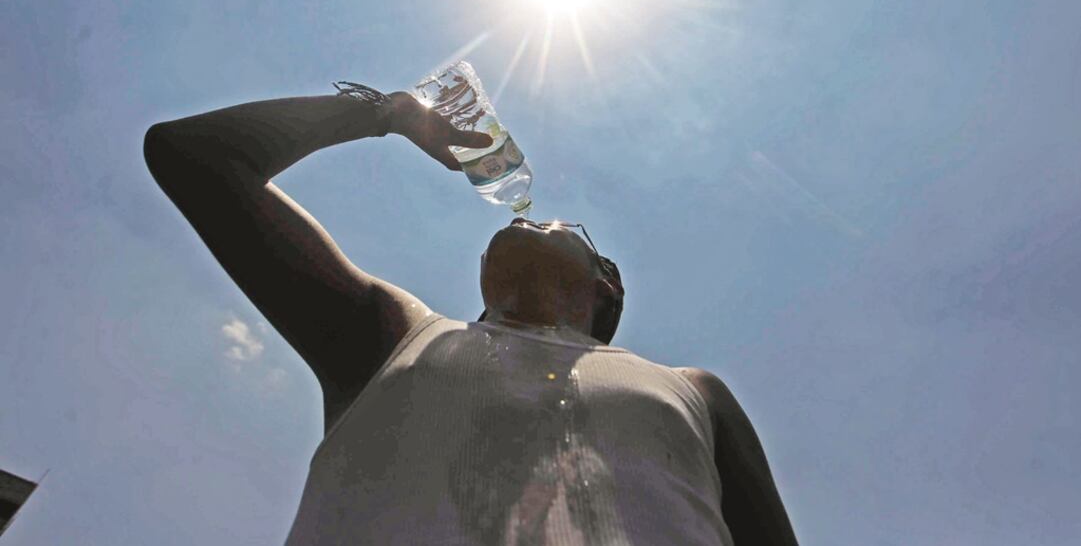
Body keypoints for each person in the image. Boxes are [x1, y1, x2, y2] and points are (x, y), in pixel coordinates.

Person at [143, 85, 798, 545]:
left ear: (609, 284)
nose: (535, 220)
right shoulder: (396, 339)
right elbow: (194, 156)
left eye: (563, 227)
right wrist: (390, 114)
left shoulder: (695, 393)